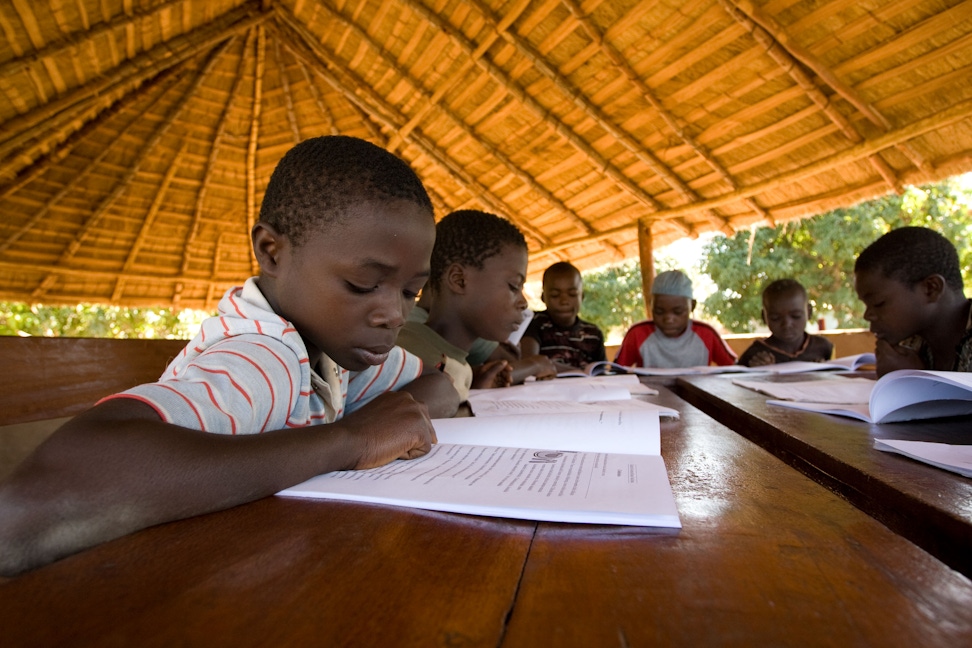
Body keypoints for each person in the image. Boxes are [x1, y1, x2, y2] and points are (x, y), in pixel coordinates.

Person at [0, 135, 460, 576]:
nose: (393, 314)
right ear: (272, 251)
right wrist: (351, 441)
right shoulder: (262, 358)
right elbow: (29, 505)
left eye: (410, 291)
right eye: (363, 284)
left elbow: (436, 386)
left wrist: (382, 419)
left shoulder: (332, 350)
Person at [397, 210, 555, 402]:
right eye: (513, 286)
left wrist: (474, 391)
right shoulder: (407, 357)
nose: (523, 303)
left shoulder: (456, 362)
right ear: (459, 280)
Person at [854, 226, 971, 377]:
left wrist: (915, 380)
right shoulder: (910, 344)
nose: (867, 315)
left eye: (878, 303)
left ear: (931, 288)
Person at [615, 269, 736, 368]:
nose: (668, 319)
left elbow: (736, 370)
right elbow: (615, 373)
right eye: (659, 311)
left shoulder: (706, 335)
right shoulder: (637, 334)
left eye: (678, 312)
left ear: (692, 306)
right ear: (651, 306)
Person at [520, 261, 606, 372]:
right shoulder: (534, 323)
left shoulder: (593, 334)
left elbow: (600, 372)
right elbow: (530, 362)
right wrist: (577, 372)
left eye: (572, 294)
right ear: (543, 297)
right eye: (555, 295)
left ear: (582, 296)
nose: (564, 301)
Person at [736, 279, 834, 367]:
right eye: (775, 318)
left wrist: (824, 370)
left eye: (796, 316)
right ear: (764, 317)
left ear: (809, 312)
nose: (786, 324)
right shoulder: (756, 353)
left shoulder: (823, 347)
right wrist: (756, 371)